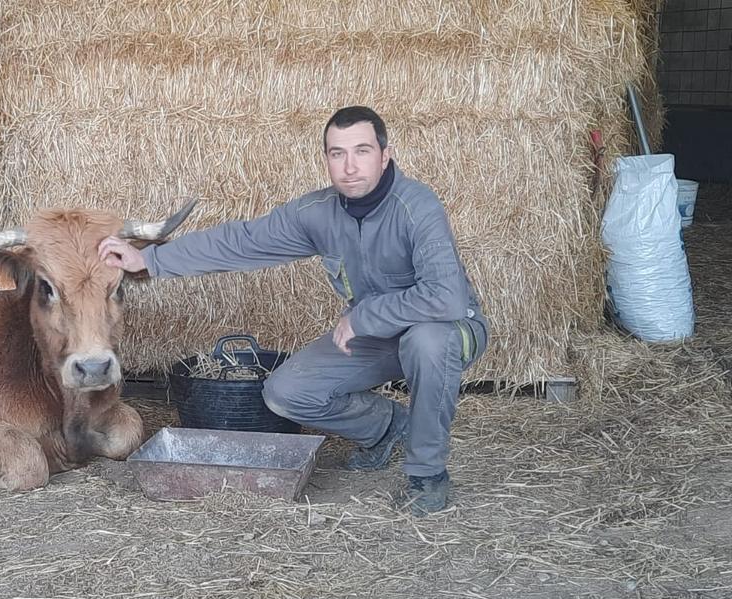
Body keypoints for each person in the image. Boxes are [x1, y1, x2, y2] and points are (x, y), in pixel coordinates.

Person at [99, 106, 489, 516]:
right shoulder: (318, 213)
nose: (350, 166)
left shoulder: (417, 206)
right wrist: (152, 261)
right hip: (379, 335)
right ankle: (388, 427)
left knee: (427, 342)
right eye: (337, 154)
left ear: (385, 154)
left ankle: (427, 474)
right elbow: (241, 241)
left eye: (362, 151)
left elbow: (445, 297)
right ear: (326, 160)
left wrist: (364, 316)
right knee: (287, 393)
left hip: (447, 329)